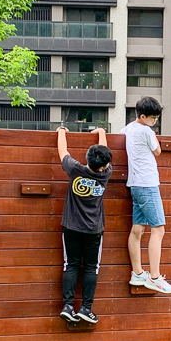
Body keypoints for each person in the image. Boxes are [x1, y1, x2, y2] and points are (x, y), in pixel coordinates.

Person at [56, 126, 113, 324]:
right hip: (94, 229)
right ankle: (86, 308)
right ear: (104, 165)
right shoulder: (105, 174)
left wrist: (62, 131)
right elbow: (104, 154)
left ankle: (68, 306)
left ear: (88, 159)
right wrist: (102, 133)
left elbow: (63, 151)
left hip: (71, 226)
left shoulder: (75, 169)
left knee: (70, 264)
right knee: (91, 267)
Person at [121, 96, 171, 294]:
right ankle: (154, 277)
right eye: (153, 118)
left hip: (135, 185)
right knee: (158, 230)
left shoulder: (128, 129)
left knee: (137, 229)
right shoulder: (146, 130)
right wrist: (152, 132)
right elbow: (158, 151)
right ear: (143, 116)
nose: (155, 121)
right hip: (148, 185)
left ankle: (137, 273)